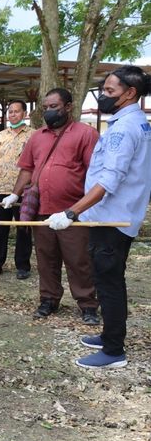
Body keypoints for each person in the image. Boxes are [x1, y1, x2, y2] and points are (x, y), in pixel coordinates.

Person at [46, 67, 151, 368]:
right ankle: (109, 336)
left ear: (130, 93)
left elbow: (109, 180)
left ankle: (114, 350)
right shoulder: (136, 123)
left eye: (109, 91)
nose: (104, 97)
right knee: (108, 278)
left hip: (112, 220)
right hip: (115, 215)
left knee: (108, 282)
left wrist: (71, 212)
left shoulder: (123, 129)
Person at [2, 88, 100, 324]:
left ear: (68, 107)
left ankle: (87, 304)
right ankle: (48, 299)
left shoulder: (86, 134)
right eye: (45, 108)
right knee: (46, 259)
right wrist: (15, 195)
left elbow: (96, 173)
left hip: (73, 212)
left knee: (78, 260)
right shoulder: (37, 137)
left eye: (54, 107)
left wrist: (80, 209)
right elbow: (27, 168)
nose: (49, 111)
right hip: (42, 210)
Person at [0, 100, 34, 279]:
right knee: (0, 229)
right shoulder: (2, 135)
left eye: (17, 111)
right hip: (2, 190)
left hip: (24, 191)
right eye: (10, 112)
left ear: (24, 114)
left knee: (23, 229)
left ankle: (23, 266)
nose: (13, 115)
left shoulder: (34, 135)